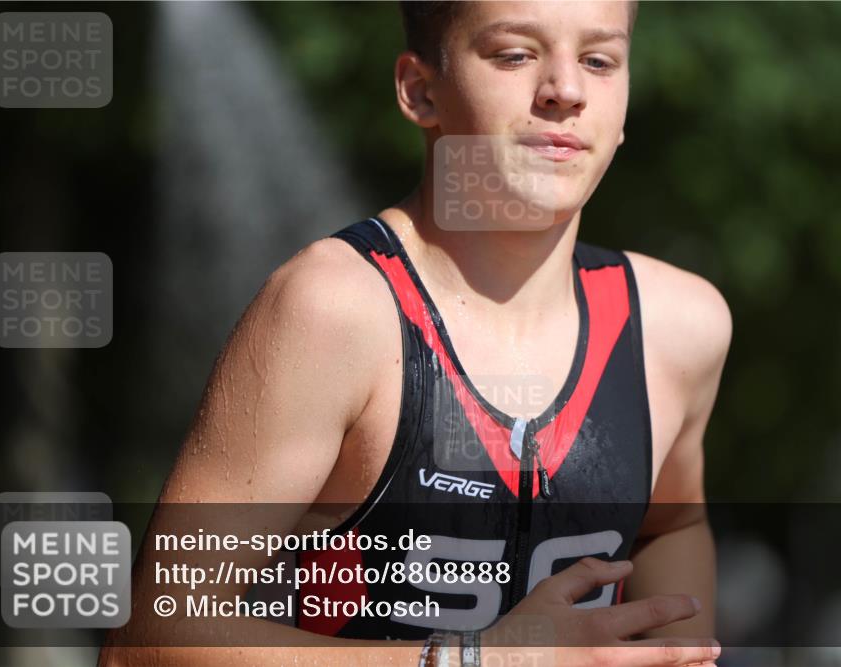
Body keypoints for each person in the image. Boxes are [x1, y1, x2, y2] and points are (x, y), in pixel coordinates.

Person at [100, 1, 731, 665]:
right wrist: (475, 658)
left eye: (599, 61)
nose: (566, 91)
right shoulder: (336, 310)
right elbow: (147, 640)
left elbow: (672, 522)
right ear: (420, 90)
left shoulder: (678, 327)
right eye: (516, 54)